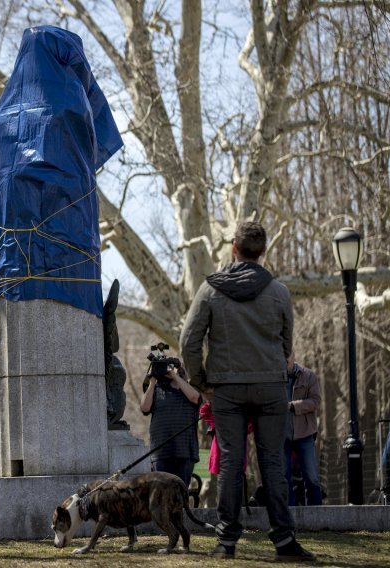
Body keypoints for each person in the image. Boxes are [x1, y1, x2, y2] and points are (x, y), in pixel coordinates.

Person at [179, 221, 314, 562]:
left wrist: (202, 383)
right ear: (262, 251)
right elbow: (287, 346)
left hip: (227, 389)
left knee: (230, 464)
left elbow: (188, 342)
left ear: (234, 249)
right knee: (273, 463)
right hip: (271, 388)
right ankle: (284, 541)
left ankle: (227, 542)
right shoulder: (279, 292)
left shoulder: (210, 290)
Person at [140, 365, 201, 486]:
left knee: (181, 492)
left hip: (185, 452)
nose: (178, 370)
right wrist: (152, 381)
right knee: (161, 493)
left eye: (180, 368)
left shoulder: (191, 391)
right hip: (160, 452)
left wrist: (175, 376)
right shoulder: (157, 390)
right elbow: (145, 408)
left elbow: (195, 397)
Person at [284, 354, 323, 506]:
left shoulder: (308, 375)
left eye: (287, 355)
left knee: (311, 476)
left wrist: (294, 406)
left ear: (293, 356)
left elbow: (315, 401)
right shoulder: (273, 378)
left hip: (305, 433)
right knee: (283, 477)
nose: (284, 359)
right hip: (282, 436)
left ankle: (317, 516)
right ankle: (288, 517)